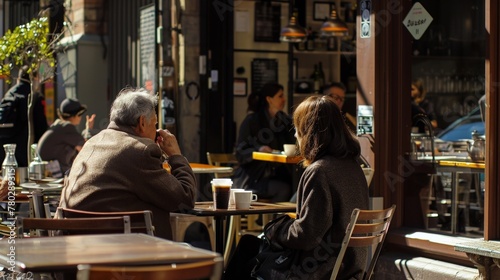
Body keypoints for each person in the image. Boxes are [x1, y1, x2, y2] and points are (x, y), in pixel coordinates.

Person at [225, 95, 369, 279]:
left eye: (298, 129)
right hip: (350, 268)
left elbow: (306, 236)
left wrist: (275, 230)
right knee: (249, 245)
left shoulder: (320, 171)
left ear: (309, 131)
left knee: (247, 249)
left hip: (317, 270)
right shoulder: (353, 167)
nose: (295, 135)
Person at [57, 87, 196, 240]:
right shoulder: (141, 150)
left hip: (74, 245)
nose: (156, 131)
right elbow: (184, 200)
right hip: (121, 252)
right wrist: (176, 156)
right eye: (154, 124)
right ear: (142, 122)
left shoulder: (91, 143)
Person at [233, 82, 296, 202]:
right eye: (280, 96)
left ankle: (281, 219)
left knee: (298, 185)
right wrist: (258, 149)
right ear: (269, 99)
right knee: (286, 188)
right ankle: (275, 219)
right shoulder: (252, 121)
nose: (284, 99)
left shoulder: (283, 121)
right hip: (254, 177)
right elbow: (240, 152)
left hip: (279, 173)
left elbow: (292, 143)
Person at [0, 66, 48, 167]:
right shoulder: (35, 97)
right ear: (34, 78)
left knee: (9, 179)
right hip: (25, 149)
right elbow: (41, 126)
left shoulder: (9, 93)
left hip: (5, 148)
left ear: (19, 78)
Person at [37, 98, 96, 175]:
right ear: (75, 115)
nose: (81, 117)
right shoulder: (67, 127)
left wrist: (87, 129)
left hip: (46, 170)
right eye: (80, 114)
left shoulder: (58, 125)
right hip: (55, 173)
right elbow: (85, 148)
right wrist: (88, 130)